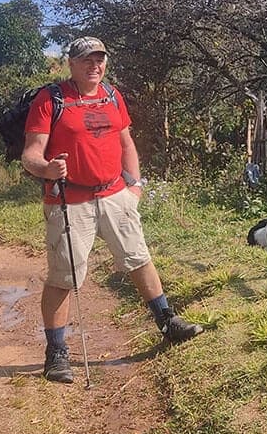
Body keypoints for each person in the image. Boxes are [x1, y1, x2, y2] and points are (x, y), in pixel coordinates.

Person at [22, 36, 202, 384]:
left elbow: (126, 143)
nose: (95, 66)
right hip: (69, 200)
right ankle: (56, 354)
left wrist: (134, 185)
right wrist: (47, 169)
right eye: (87, 60)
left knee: (138, 257)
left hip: (115, 194)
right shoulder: (51, 100)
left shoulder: (113, 96)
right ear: (71, 64)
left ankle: (167, 320)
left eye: (100, 59)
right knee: (65, 276)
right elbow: (31, 154)